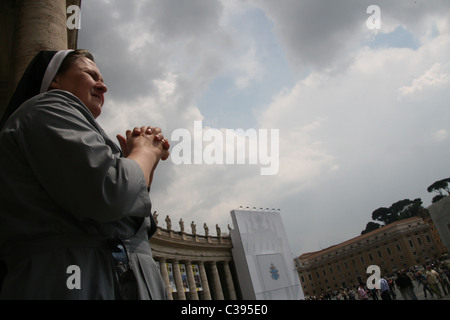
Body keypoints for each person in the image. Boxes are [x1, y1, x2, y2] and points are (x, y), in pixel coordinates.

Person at [0, 49, 170, 299]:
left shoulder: (74, 129)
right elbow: (111, 193)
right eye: (91, 75)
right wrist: (144, 153)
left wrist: (137, 164)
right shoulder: (49, 106)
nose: (103, 87)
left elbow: (128, 218)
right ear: (55, 81)